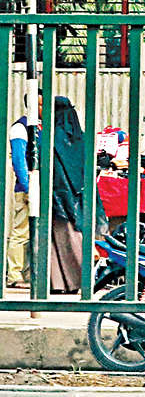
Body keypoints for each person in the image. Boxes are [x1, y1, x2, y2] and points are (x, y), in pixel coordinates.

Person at [45, 97, 85, 294]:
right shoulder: (78, 136)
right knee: (70, 238)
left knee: (59, 240)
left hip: (59, 195)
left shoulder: (55, 136)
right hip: (76, 196)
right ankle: (73, 283)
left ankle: (61, 283)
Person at [6, 90, 36, 289]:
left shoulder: (39, 127)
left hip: (39, 187)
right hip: (27, 188)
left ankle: (27, 274)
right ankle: (14, 275)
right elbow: (18, 160)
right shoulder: (20, 127)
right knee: (21, 232)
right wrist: (27, 187)